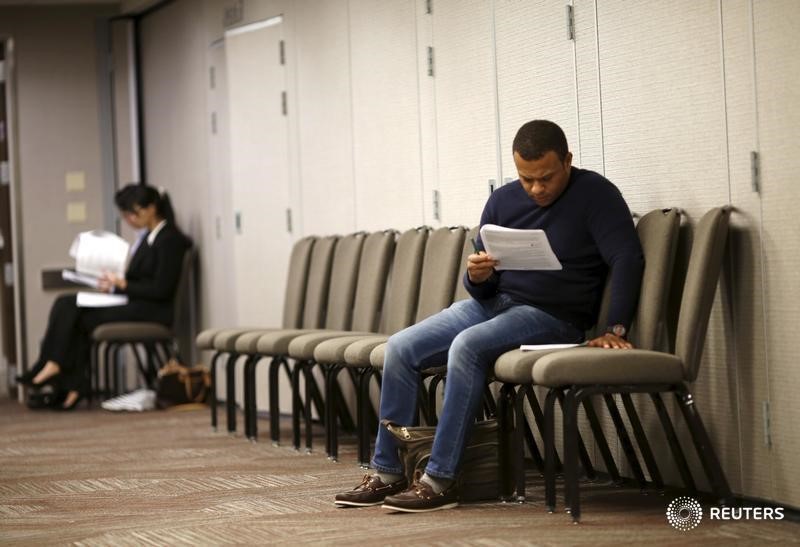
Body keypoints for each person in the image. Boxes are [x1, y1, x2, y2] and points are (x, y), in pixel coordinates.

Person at [334, 120, 644, 512]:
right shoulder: (503, 201)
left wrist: (615, 326)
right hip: (493, 305)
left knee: (467, 346)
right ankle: (388, 471)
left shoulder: (596, 195)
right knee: (401, 347)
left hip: (553, 315)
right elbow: (481, 286)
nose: (536, 189)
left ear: (567, 160)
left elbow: (627, 257)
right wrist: (476, 275)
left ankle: (440, 479)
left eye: (546, 178)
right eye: (526, 179)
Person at [16, 184, 192, 410]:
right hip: (137, 303)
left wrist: (124, 284)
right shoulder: (149, 238)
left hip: (153, 311)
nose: (128, 219)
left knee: (72, 309)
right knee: (70, 307)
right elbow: (139, 281)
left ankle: (57, 371)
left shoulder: (170, 240)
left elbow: (161, 289)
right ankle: (66, 381)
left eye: (131, 213)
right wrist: (114, 287)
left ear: (150, 209)